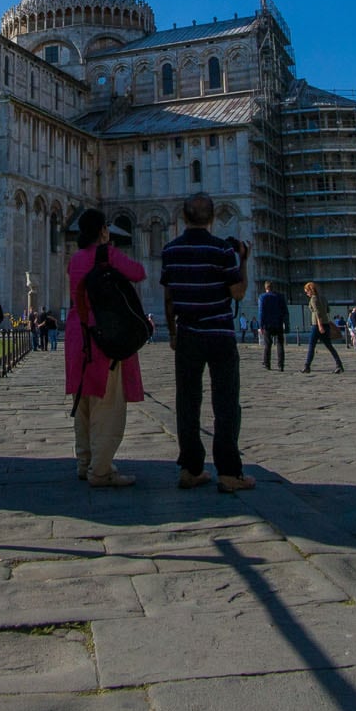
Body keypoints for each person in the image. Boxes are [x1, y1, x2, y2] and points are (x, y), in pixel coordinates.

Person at [160, 193, 253, 492]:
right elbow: (237, 292)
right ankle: (228, 473)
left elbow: (169, 298)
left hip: (188, 334)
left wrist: (173, 333)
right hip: (220, 336)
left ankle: (191, 468)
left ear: (184, 218)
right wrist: (244, 262)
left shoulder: (170, 250)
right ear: (212, 218)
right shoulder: (221, 250)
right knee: (226, 403)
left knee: (187, 403)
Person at [66, 208, 146, 487]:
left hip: (78, 335)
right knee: (107, 404)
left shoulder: (75, 259)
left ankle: (84, 462)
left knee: (84, 401)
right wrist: (110, 250)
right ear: (102, 230)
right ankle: (101, 471)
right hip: (103, 337)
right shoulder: (107, 255)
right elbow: (138, 272)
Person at [302, 281, 344, 373]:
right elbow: (327, 310)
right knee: (329, 346)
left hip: (317, 325)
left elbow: (317, 313)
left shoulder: (313, 299)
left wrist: (320, 325)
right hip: (326, 323)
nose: (306, 293)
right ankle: (339, 365)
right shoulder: (323, 298)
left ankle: (307, 366)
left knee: (311, 346)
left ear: (310, 290)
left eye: (306, 291)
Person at [256, 282, 290, 371]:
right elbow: (285, 312)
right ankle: (281, 365)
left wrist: (261, 326)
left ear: (265, 288)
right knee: (280, 344)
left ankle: (267, 364)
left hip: (267, 324)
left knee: (268, 344)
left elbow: (261, 312)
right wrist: (286, 325)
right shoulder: (280, 296)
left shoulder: (262, 297)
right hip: (278, 323)